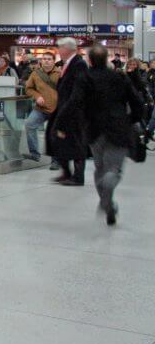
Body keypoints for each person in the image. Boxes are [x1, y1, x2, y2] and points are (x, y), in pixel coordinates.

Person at [64, 46, 143, 225]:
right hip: (118, 128)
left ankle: (106, 201)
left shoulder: (84, 78)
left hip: (93, 130)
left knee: (99, 167)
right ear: (107, 58)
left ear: (90, 60)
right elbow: (137, 102)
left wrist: (64, 124)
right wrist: (131, 120)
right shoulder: (120, 78)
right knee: (114, 168)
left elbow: (74, 102)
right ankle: (111, 182)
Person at [47, 37, 89, 186]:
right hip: (63, 108)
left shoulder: (79, 64)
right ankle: (66, 172)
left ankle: (78, 176)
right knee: (58, 139)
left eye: (61, 47)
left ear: (69, 48)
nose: (59, 50)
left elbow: (78, 91)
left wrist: (68, 108)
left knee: (76, 142)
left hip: (73, 111)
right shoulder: (68, 64)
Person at [23, 52, 60, 162]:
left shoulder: (60, 73)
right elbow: (28, 88)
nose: (46, 61)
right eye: (44, 59)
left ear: (54, 61)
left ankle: (56, 159)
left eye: (49, 59)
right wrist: (37, 96)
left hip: (56, 110)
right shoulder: (35, 74)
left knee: (54, 133)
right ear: (41, 61)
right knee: (29, 124)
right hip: (41, 108)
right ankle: (34, 154)